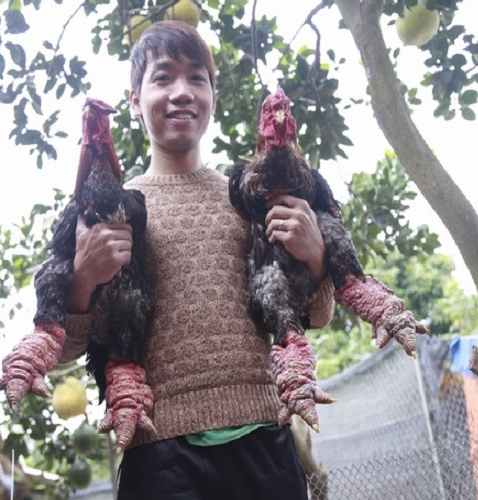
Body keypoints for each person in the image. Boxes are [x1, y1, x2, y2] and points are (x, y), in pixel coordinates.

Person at [58, 20, 335, 500]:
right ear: (135, 101)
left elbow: (318, 314)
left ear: (212, 96)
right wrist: (83, 279)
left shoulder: (251, 197)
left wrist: (316, 258)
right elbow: (62, 348)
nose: (181, 91)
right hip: (158, 453)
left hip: (263, 439)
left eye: (196, 78)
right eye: (163, 77)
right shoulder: (105, 211)